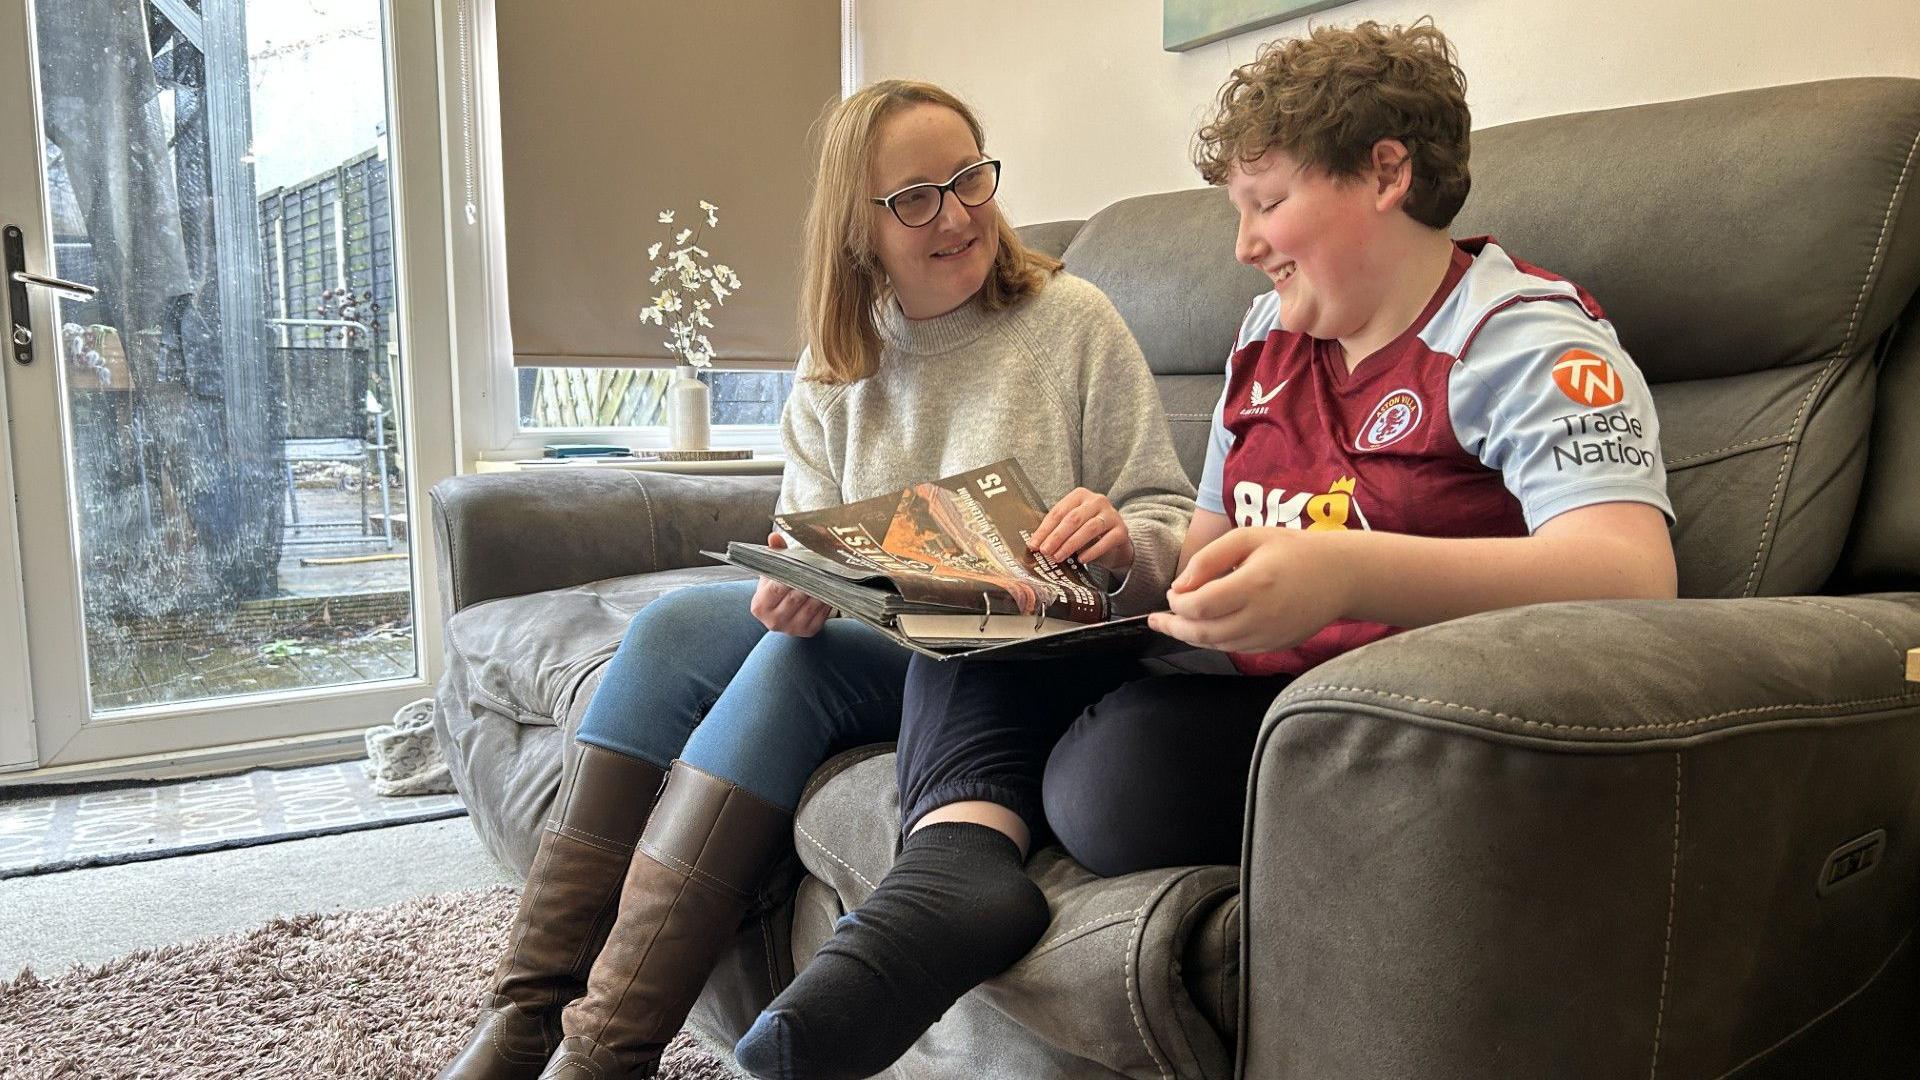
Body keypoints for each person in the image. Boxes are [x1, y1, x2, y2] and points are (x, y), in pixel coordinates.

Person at [735, 19, 1678, 1079]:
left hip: (1394, 722)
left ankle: (961, 855)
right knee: (977, 626)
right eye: (1239, 212)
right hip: (1234, 681)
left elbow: (1632, 575)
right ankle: (955, 865)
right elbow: (1202, 552)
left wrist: (1345, 572)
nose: (1244, 245)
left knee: (1110, 784)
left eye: (1268, 205)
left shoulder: (1520, 335)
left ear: (1386, 173)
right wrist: (1101, 564)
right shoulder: (1264, 342)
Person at [434, 79, 1192, 1080]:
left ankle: (600, 1055)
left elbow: (1168, 519)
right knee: (672, 636)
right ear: (858, 228)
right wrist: (791, 582)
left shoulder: (1072, 320)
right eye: (914, 197)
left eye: (969, 178)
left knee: (798, 673)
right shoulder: (837, 361)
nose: (957, 214)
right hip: (882, 626)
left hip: (1007, 654)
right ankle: (524, 1014)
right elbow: (809, 540)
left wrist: (1119, 537)